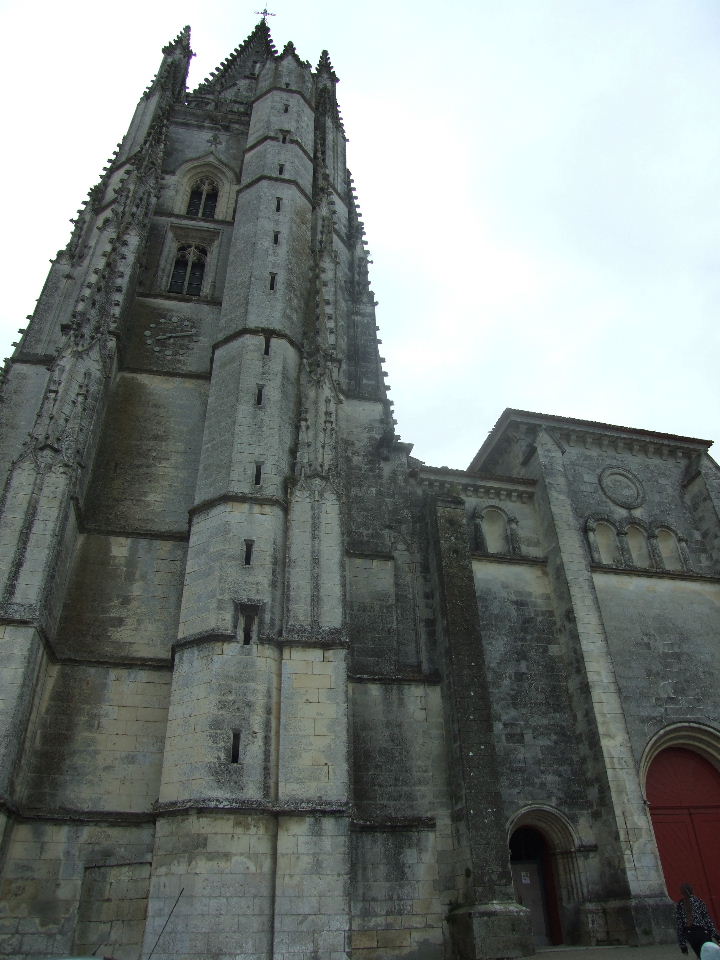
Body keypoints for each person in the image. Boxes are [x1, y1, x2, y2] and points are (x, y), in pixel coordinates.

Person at [676, 883, 719, 958]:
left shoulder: (680, 904)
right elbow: (707, 919)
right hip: (702, 932)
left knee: (700, 956)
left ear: (681, 893)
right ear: (692, 890)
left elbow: (680, 925)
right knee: (709, 956)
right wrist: (716, 935)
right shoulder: (699, 901)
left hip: (690, 934)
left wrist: (682, 944)